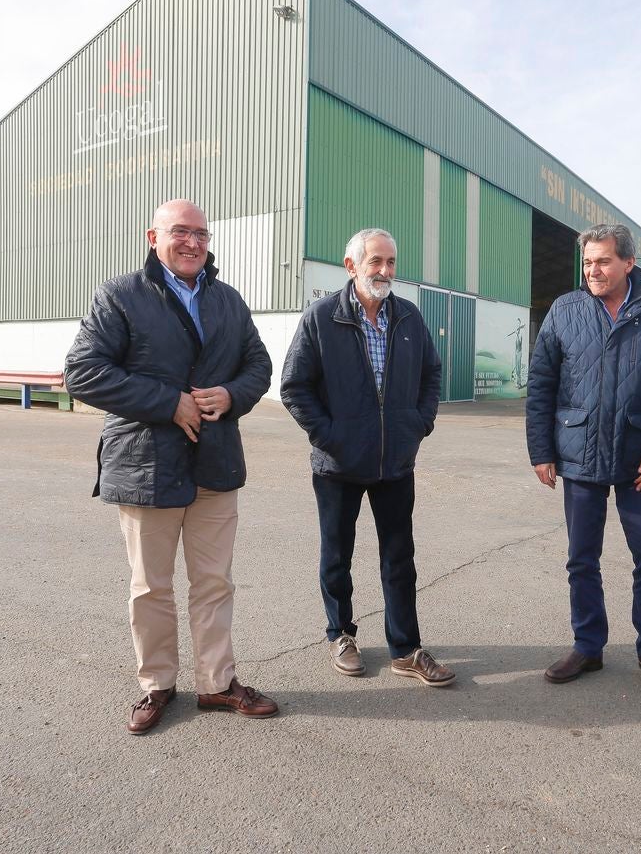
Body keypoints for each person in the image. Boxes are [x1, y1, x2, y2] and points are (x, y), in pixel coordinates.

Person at [64, 199, 278, 735]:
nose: (192, 243)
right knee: (150, 586)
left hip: (215, 461)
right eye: (180, 232)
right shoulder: (121, 297)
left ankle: (216, 682)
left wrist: (230, 394)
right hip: (145, 464)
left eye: (201, 234)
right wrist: (168, 401)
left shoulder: (228, 300)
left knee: (214, 582)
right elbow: (83, 372)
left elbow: (259, 364)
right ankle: (157, 684)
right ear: (152, 237)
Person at [525, 224, 641, 690]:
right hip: (579, 451)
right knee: (582, 558)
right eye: (587, 262)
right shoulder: (566, 309)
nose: (593, 271)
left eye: (603, 261)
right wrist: (541, 450)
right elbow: (541, 383)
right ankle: (588, 647)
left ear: (628, 262)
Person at [279, 228, 454, 687]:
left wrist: (418, 425)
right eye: (376, 261)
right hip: (337, 464)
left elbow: (431, 375)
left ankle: (405, 648)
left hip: (395, 461)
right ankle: (341, 634)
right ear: (351, 265)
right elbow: (294, 387)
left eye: (391, 262)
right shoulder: (321, 318)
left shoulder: (409, 318)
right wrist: (331, 436)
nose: (385, 271)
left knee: (400, 556)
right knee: (337, 554)